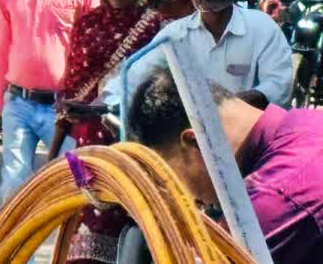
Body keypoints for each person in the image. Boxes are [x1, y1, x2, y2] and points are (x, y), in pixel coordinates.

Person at [45, 0, 166, 264]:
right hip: (88, 146)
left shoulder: (157, 27)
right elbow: (73, 92)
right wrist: (54, 152)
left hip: (137, 145)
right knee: (89, 222)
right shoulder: (87, 24)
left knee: (138, 227)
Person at [130, 68, 323, 262]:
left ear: (196, 142)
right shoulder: (308, 121)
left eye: (173, 179)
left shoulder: (273, 200)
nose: (193, 200)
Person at [101, 0, 295, 112]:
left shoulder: (261, 27)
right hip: (194, 136)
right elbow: (134, 76)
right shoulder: (174, 35)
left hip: (253, 134)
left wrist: (231, 106)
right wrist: (103, 103)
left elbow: (279, 86)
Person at [0, 0, 99, 201]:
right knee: (14, 188)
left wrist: (85, 104)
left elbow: (95, 52)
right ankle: (18, 236)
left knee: (77, 185)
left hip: (66, 109)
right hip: (18, 105)